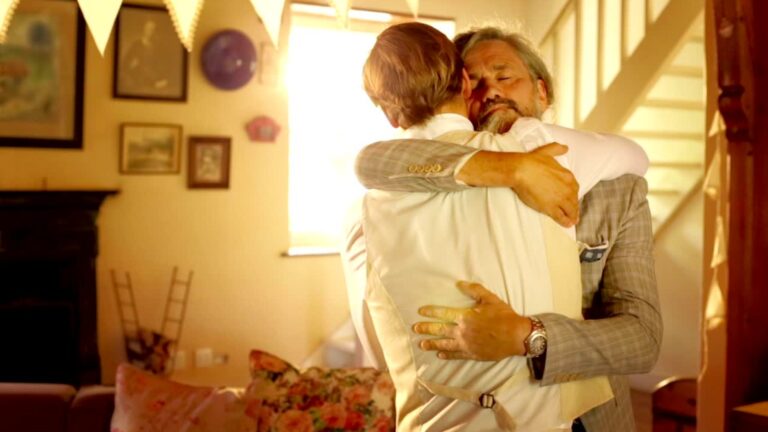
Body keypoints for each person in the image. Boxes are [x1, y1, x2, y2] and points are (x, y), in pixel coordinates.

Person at [342, 23, 658, 431]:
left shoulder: (618, 191)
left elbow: (643, 340)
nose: (490, 91)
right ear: (460, 89)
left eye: (505, 76)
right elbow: (370, 164)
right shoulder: (397, 189)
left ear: (542, 92)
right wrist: (509, 168)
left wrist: (530, 336)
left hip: (595, 418)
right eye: (475, 82)